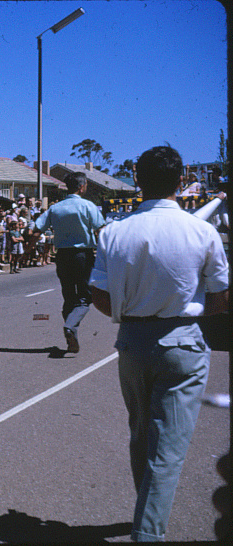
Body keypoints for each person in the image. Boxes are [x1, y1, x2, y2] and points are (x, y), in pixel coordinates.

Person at [89, 145, 229, 542]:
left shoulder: (114, 231)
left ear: (137, 179)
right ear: (181, 181)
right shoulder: (202, 231)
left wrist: (132, 312)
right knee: (168, 446)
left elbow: (99, 295)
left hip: (132, 341)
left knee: (142, 435)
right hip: (183, 338)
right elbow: (221, 297)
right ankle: (147, 534)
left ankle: (145, 512)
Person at [34, 171, 105, 353]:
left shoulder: (55, 208)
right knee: (84, 297)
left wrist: (29, 249)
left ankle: (71, 334)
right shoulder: (88, 206)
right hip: (82, 255)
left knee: (68, 295)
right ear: (82, 187)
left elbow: (36, 229)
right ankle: (71, 327)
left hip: (62, 256)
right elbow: (101, 231)